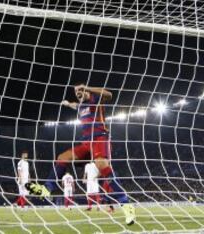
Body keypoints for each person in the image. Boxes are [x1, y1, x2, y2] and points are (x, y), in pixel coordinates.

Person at [26, 84, 135, 225]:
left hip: (100, 138)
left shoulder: (95, 100)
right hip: (85, 143)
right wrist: (67, 103)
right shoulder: (81, 107)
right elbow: (74, 105)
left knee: (102, 165)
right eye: (76, 92)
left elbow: (109, 94)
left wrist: (87, 88)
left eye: (80, 91)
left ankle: (126, 205)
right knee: (62, 158)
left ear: (86, 91)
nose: (78, 93)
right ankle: (46, 189)